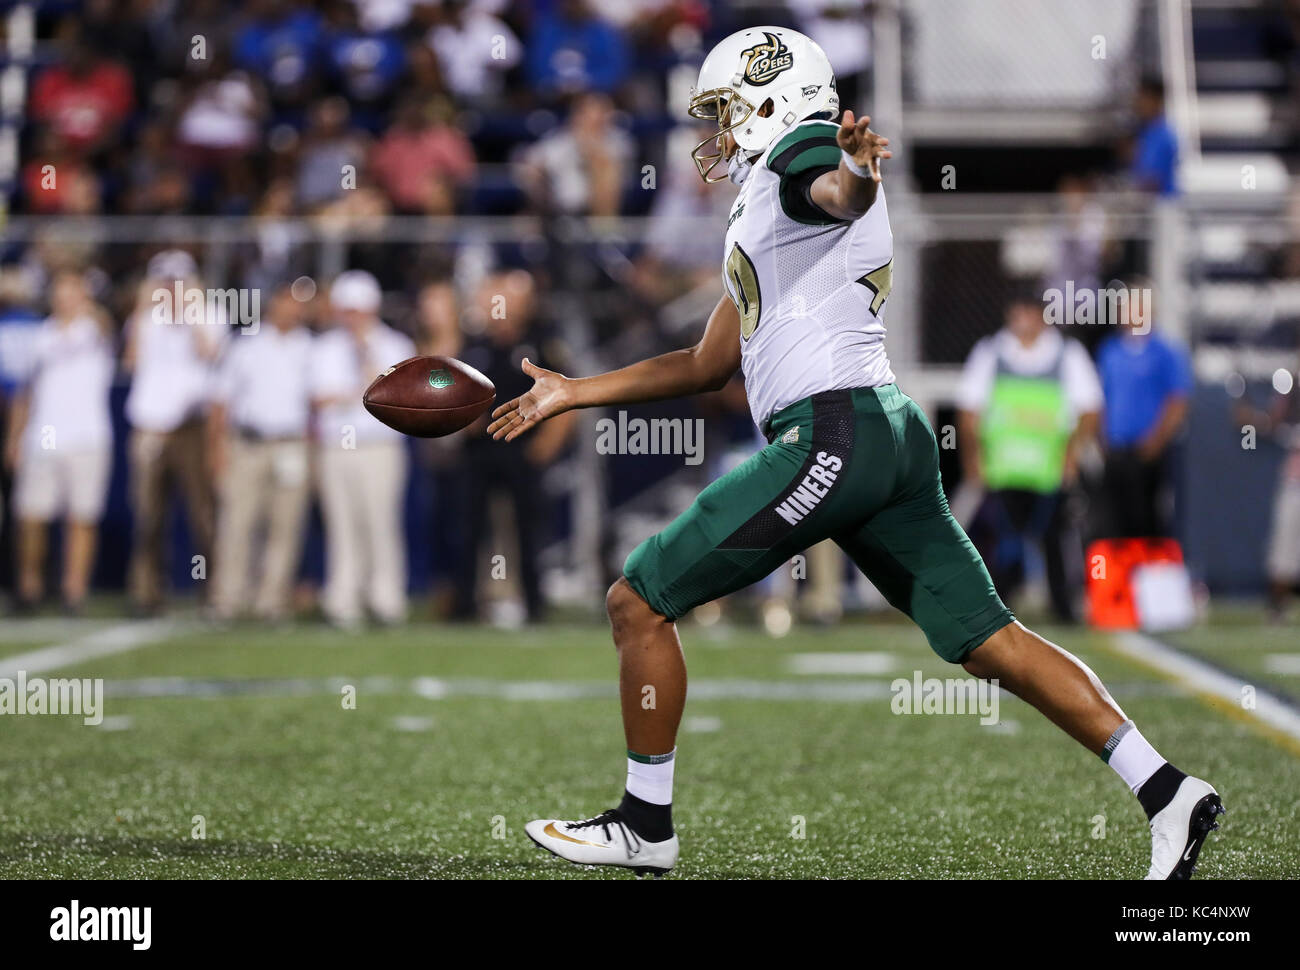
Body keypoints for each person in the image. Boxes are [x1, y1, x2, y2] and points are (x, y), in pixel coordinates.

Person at [487, 27, 1222, 878]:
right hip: (886, 432)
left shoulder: (801, 154)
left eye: (727, 111)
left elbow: (837, 189)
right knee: (988, 637)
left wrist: (860, 172)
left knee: (637, 597)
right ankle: (1166, 789)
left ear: (770, 99)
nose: (718, 134)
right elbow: (705, 363)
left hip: (831, 430)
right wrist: (576, 390)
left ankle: (644, 825)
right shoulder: (764, 211)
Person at [956, 291, 1103, 621]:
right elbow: (969, 411)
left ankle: (1063, 608)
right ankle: (995, 611)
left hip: (1050, 471)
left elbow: (1089, 410)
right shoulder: (991, 352)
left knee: (1056, 541)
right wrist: (973, 460)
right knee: (1003, 544)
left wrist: (1072, 457)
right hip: (1004, 470)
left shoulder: (1067, 354)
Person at [452, 269, 576, 624]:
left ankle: (534, 605)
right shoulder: (475, 345)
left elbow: (568, 393)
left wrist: (547, 445)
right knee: (470, 526)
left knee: (528, 528)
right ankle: (465, 604)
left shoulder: (541, 344)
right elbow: (454, 393)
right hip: (480, 450)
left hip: (523, 449)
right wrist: (462, 420)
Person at [4, 269, 114, 613]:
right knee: (31, 513)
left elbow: (107, 321)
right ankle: (30, 587)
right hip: (47, 432)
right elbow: (26, 392)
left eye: (71, 290)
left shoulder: (94, 328)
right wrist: (14, 438)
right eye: (60, 290)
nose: (64, 297)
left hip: (86, 433)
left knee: (81, 516)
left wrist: (87, 298)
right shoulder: (42, 335)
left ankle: (73, 591)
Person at [123, 250, 227, 614]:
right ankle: (147, 592)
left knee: (202, 514)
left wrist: (191, 313)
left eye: (179, 282)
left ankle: (212, 591)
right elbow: (130, 361)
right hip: (150, 426)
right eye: (165, 282)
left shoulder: (211, 315)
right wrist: (141, 310)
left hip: (191, 426)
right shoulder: (145, 320)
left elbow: (211, 354)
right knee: (148, 515)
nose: (172, 289)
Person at [311, 270, 415, 627]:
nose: (352, 317)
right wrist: (361, 388)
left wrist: (363, 382)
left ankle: (386, 599)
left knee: (381, 522)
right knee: (342, 524)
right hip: (337, 446)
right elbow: (320, 399)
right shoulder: (325, 347)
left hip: (379, 445)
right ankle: (343, 600)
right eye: (347, 310)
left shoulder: (397, 345)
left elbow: (401, 399)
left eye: (358, 310)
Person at [208, 282, 315, 622]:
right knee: (237, 524)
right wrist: (217, 449)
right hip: (248, 444)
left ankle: (271, 601)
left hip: (292, 445)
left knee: (285, 526)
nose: (294, 310)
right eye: (288, 301)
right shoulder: (247, 345)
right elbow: (221, 402)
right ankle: (227, 599)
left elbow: (317, 403)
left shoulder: (310, 346)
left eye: (299, 304)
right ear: (273, 304)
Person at [1096, 285, 1192, 538]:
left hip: (1150, 451)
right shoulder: (1110, 350)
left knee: (1150, 517)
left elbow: (1177, 401)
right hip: (1117, 449)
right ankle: (1121, 574)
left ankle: (1152, 571)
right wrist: (1103, 440)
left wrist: (1156, 440)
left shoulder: (1166, 351)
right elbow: (1102, 398)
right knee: (1116, 518)